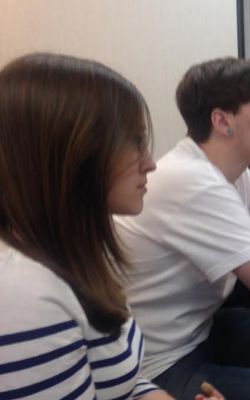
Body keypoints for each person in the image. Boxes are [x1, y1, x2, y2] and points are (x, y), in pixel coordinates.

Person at [114, 57, 250, 400]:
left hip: (202, 334)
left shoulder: (237, 173)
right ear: (222, 121)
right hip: (159, 368)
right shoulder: (196, 181)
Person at [0, 53, 185, 399]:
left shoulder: (72, 254)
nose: (150, 163)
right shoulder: (25, 295)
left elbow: (119, 382)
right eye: (133, 142)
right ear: (72, 153)